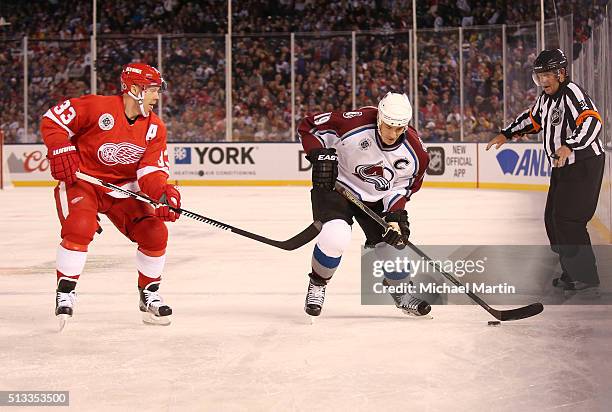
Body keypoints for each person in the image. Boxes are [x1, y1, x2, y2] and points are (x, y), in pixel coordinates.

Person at [41, 63, 181, 328]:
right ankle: (66, 291)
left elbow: (150, 171)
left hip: (124, 191)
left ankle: (148, 293)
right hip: (84, 183)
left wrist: (163, 193)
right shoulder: (96, 107)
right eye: (153, 90)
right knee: (80, 226)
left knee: (155, 233)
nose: (157, 97)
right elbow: (53, 120)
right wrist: (59, 146)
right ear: (135, 89)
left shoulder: (154, 128)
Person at [298, 92, 431, 317]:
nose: (393, 134)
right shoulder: (354, 122)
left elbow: (401, 188)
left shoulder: (417, 154)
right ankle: (318, 285)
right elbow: (309, 127)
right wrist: (319, 154)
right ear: (379, 117)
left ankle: (401, 293)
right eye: (388, 126)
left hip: (377, 197)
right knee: (336, 236)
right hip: (337, 187)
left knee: (394, 246)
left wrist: (395, 216)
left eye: (399, 129)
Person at [487, 49, 605, 296]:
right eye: (539, 76)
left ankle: (585, 277)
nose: (543, 81)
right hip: (562, 165)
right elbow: (532, 120)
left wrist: (569, 144)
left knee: (568, 220)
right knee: (553, 218)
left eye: (547, 76)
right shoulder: (546, 99)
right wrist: (506, 133)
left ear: (561, 74)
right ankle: (572, 270)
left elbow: (592, 121)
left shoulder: (573, 94)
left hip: (583, 164)